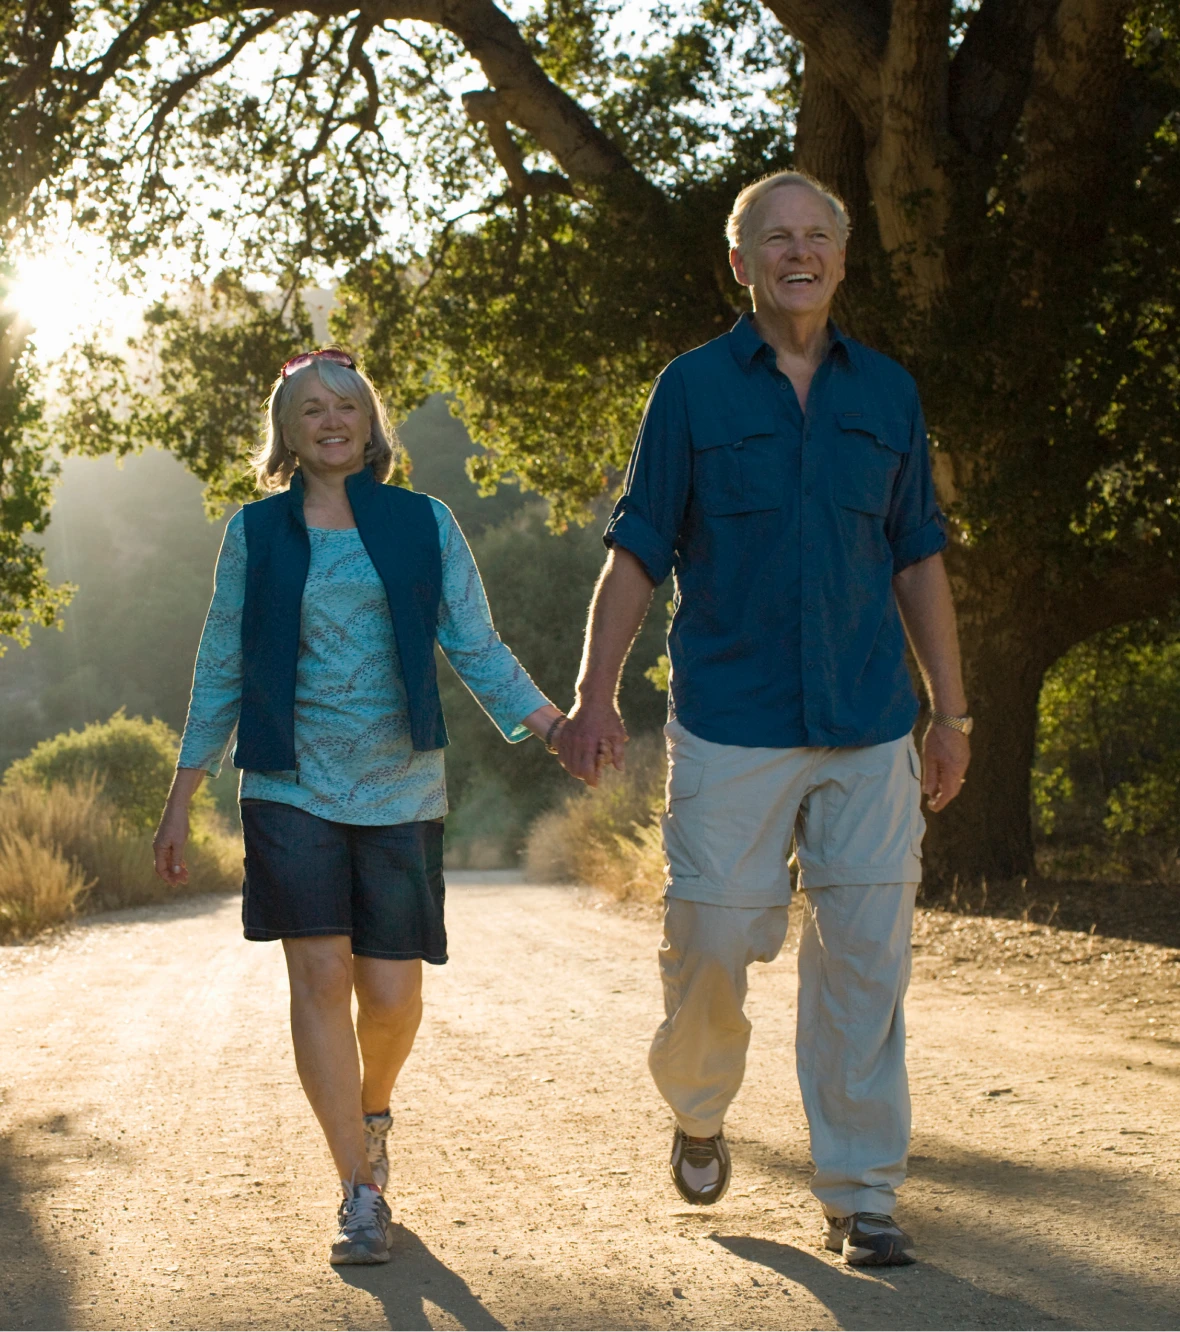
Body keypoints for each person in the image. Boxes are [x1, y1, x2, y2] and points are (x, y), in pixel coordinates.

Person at [557, 170, 970, 1267]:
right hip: (733, 718)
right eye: (775, 238)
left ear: (841, 256)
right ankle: (698, 1106)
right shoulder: (691, 390)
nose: (799, 253)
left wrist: (952, 713)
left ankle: (860, 1190)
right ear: (739, 264)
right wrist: (595, 696)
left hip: (870, 719)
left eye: (817, 236)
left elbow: (917, 555)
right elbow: (638, 550)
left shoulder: (887, 394)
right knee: (711, 937)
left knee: (866, 961)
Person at [153, 349, 566, 1266]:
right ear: (287, 434)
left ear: (372, 426)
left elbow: (476, 643)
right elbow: (221, 664)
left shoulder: (424, 522)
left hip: (401, 785)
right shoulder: (255, 534)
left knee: (390, 993)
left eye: (346, 405)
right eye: (310, 409)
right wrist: (181, 796)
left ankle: (373, 1108)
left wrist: (553, 726)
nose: (330, 419)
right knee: (318, 979)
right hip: (288, 782)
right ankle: (357, 1187)